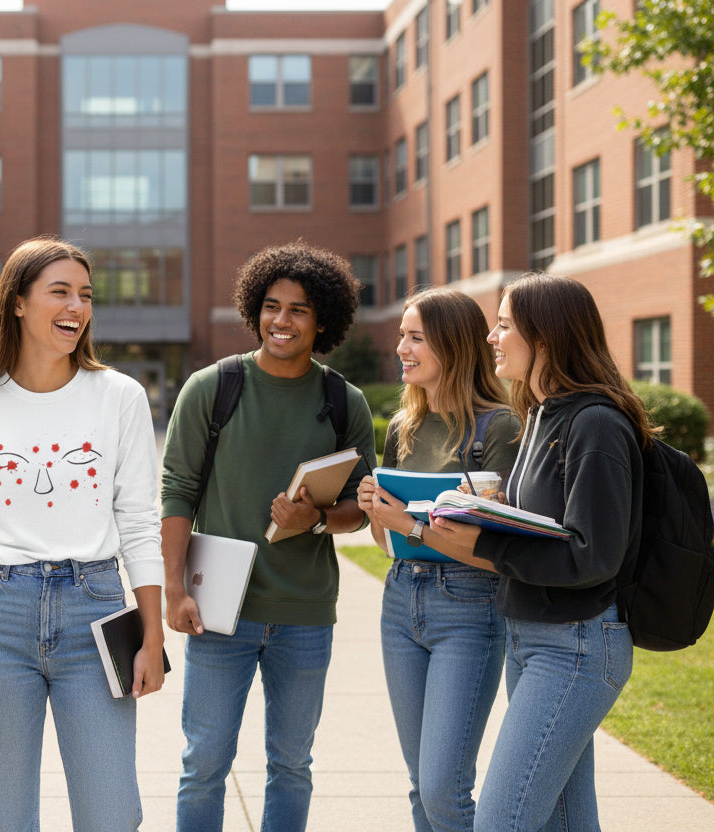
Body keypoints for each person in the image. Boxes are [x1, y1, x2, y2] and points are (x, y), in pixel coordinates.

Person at [0, 237, 166, 832]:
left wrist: (153, 634)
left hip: (96, 611)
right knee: (5, 816)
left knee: (110, 814)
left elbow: (139, 524)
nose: (76, 307)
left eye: (85, 295)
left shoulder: (119, 397)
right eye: (59, 292)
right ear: (16, 302)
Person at [161, 240, 377, 832]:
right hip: (218, 610)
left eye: (299, 309)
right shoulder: (212, 388)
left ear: (323, 320)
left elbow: (363, 508)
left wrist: (316, 520)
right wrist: (172, 589)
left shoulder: (343, 401)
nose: (282, 320)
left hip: (305, 614)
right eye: (272, 306)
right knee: (204, 763)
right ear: (255, 308)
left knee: (291, 764)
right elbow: (177, 492)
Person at [423, 273, 650, 832]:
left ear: (544, 337)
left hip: (575, 646)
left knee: (502, 821)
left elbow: (592, 554)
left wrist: (485, 543)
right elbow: (547, 525)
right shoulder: (544, 415)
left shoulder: (596, 422)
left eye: (503, 326)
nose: (492, 338)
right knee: (565, 824)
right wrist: (488, 505)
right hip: (532, 638)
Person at [355, 288, 519, 832]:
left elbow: (501, 554)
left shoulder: (499, 428)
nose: (400, 346)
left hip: (469, 609)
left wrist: (406, 522)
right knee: (420, 786)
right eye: (402, 334)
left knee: (444, 790)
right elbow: (388, 544)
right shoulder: (404, 427)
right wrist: (378, 515)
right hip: (401, 599)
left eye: (415, 337)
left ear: (452, 345)